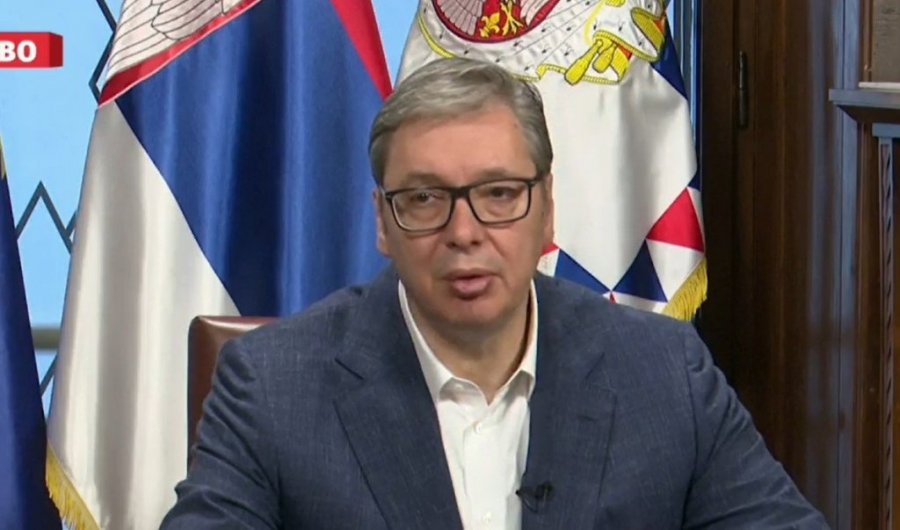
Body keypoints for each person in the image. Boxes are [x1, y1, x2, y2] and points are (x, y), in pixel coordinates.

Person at [161, 57, 828, 529]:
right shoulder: (274, 387)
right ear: (383, 223)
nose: (464, 232)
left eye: (499, 194)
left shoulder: (663, 372)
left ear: (548, 212)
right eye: (425, 198)